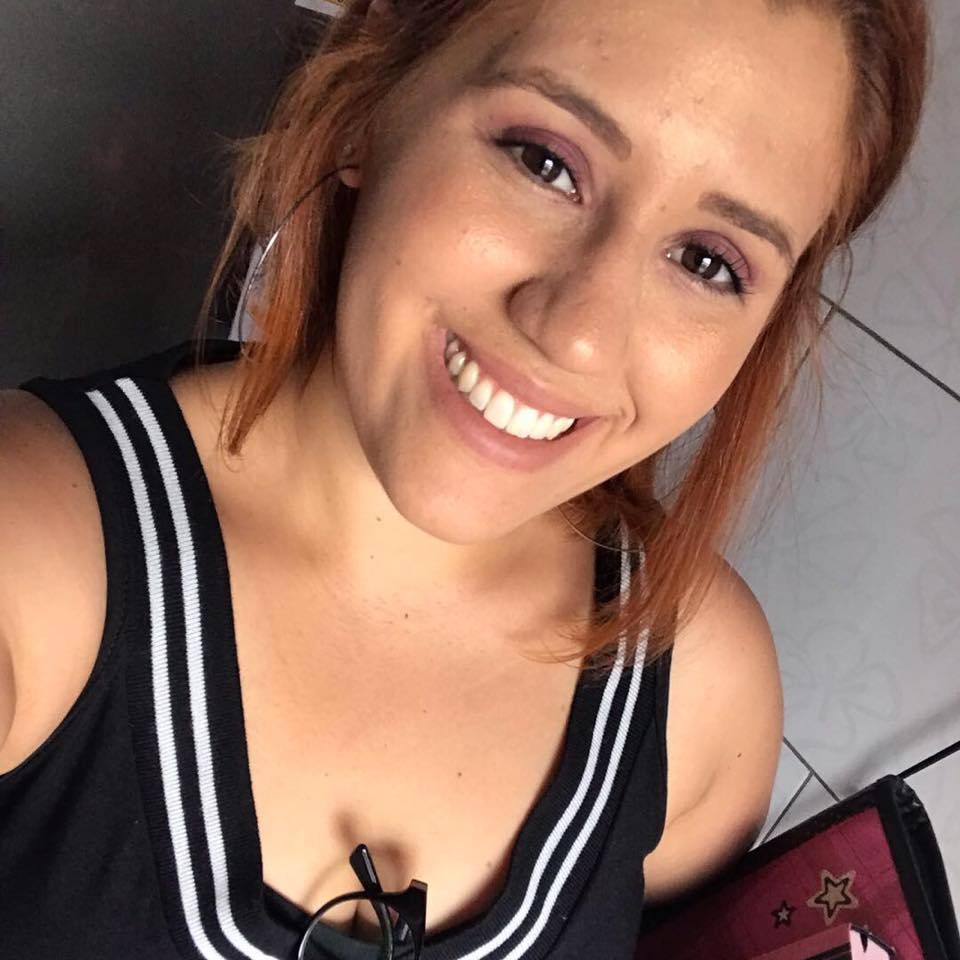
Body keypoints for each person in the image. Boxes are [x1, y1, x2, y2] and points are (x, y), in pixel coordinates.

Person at [0, 0, 929, 957]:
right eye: (545, 161)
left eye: (707, 261)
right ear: (371, 97)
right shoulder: (31, 551)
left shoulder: (704, 699)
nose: (577, 332)